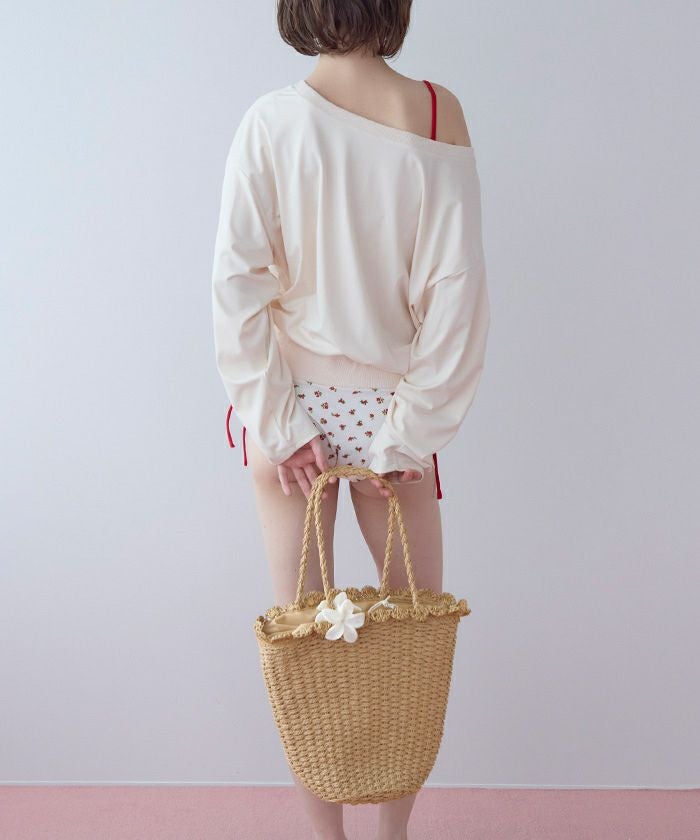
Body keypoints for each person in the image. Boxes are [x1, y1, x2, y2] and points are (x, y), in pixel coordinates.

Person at [210, 3, 490, 838]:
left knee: (302, 651)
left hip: (291, 409)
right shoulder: (434, 111)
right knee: (415, 646)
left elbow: (236, 287)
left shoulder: (269, 123)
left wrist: (278, 421)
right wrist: (409, 434)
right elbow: (457, 296)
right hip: (389, 415)